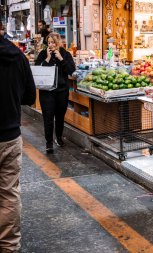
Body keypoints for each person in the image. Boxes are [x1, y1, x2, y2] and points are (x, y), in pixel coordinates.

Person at [0, 21, 36, 253]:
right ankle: (9, 246)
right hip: (9, 135)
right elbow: (30, 96)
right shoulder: (17, 56)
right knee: (9, 192)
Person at [35, 33, 76, 153]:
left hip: (61, 91)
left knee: (59, 117)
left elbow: (71, 71)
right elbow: (37, 70)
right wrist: (47, 59)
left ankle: (58, 137)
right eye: (49, 43)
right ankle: (49, 142)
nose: (51, 45)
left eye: (53, 42)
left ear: (58, 43)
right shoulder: (43, 54)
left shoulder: (65, 54)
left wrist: (61, 59)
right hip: (46, 92)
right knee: (47, 117)